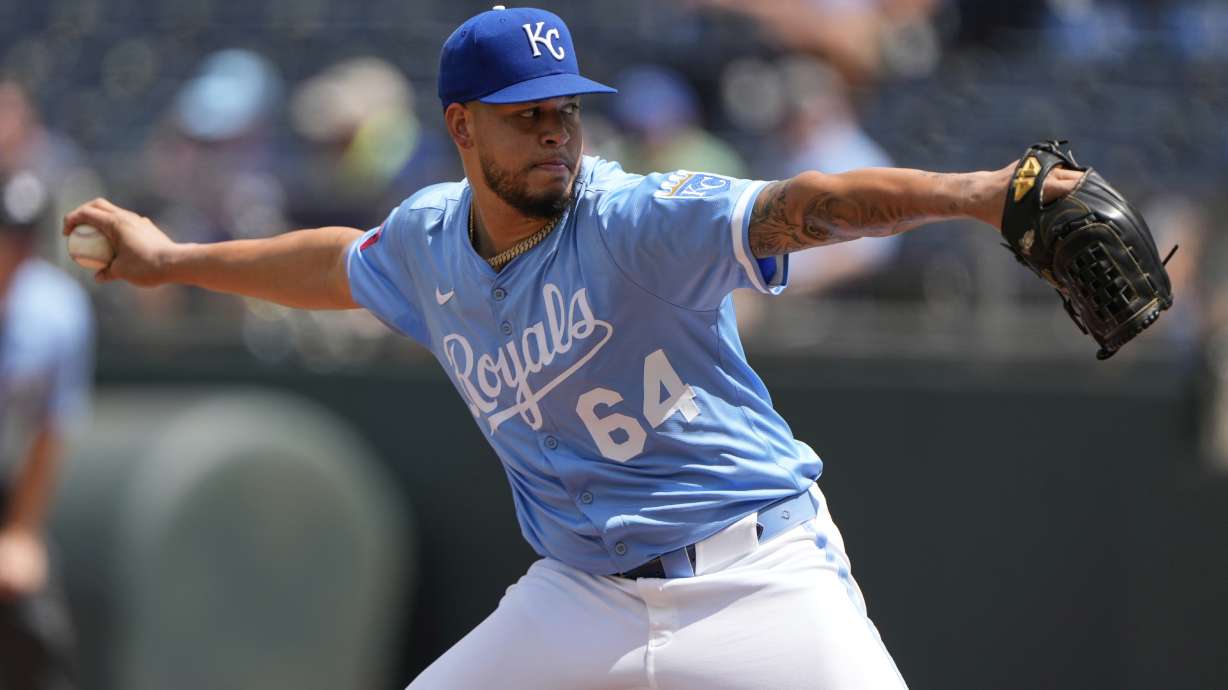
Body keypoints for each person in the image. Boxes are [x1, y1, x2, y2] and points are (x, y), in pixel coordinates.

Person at [63, 6, 1083, 689]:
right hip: (581, 592)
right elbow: (332, 265)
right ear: (462, 127)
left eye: (565, 111)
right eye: (526, 117)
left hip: (755, 574)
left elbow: (800, 206)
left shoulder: (636, 219)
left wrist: (976, 195)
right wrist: (174, 260)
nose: (556, 132)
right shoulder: (427, 239)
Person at [1, 170, 92, 690]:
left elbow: (52, 427)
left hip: (7, 482)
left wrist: (21, 533)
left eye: (18, 238)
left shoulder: (56, 309)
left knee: (38, 632)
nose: (8, 251)